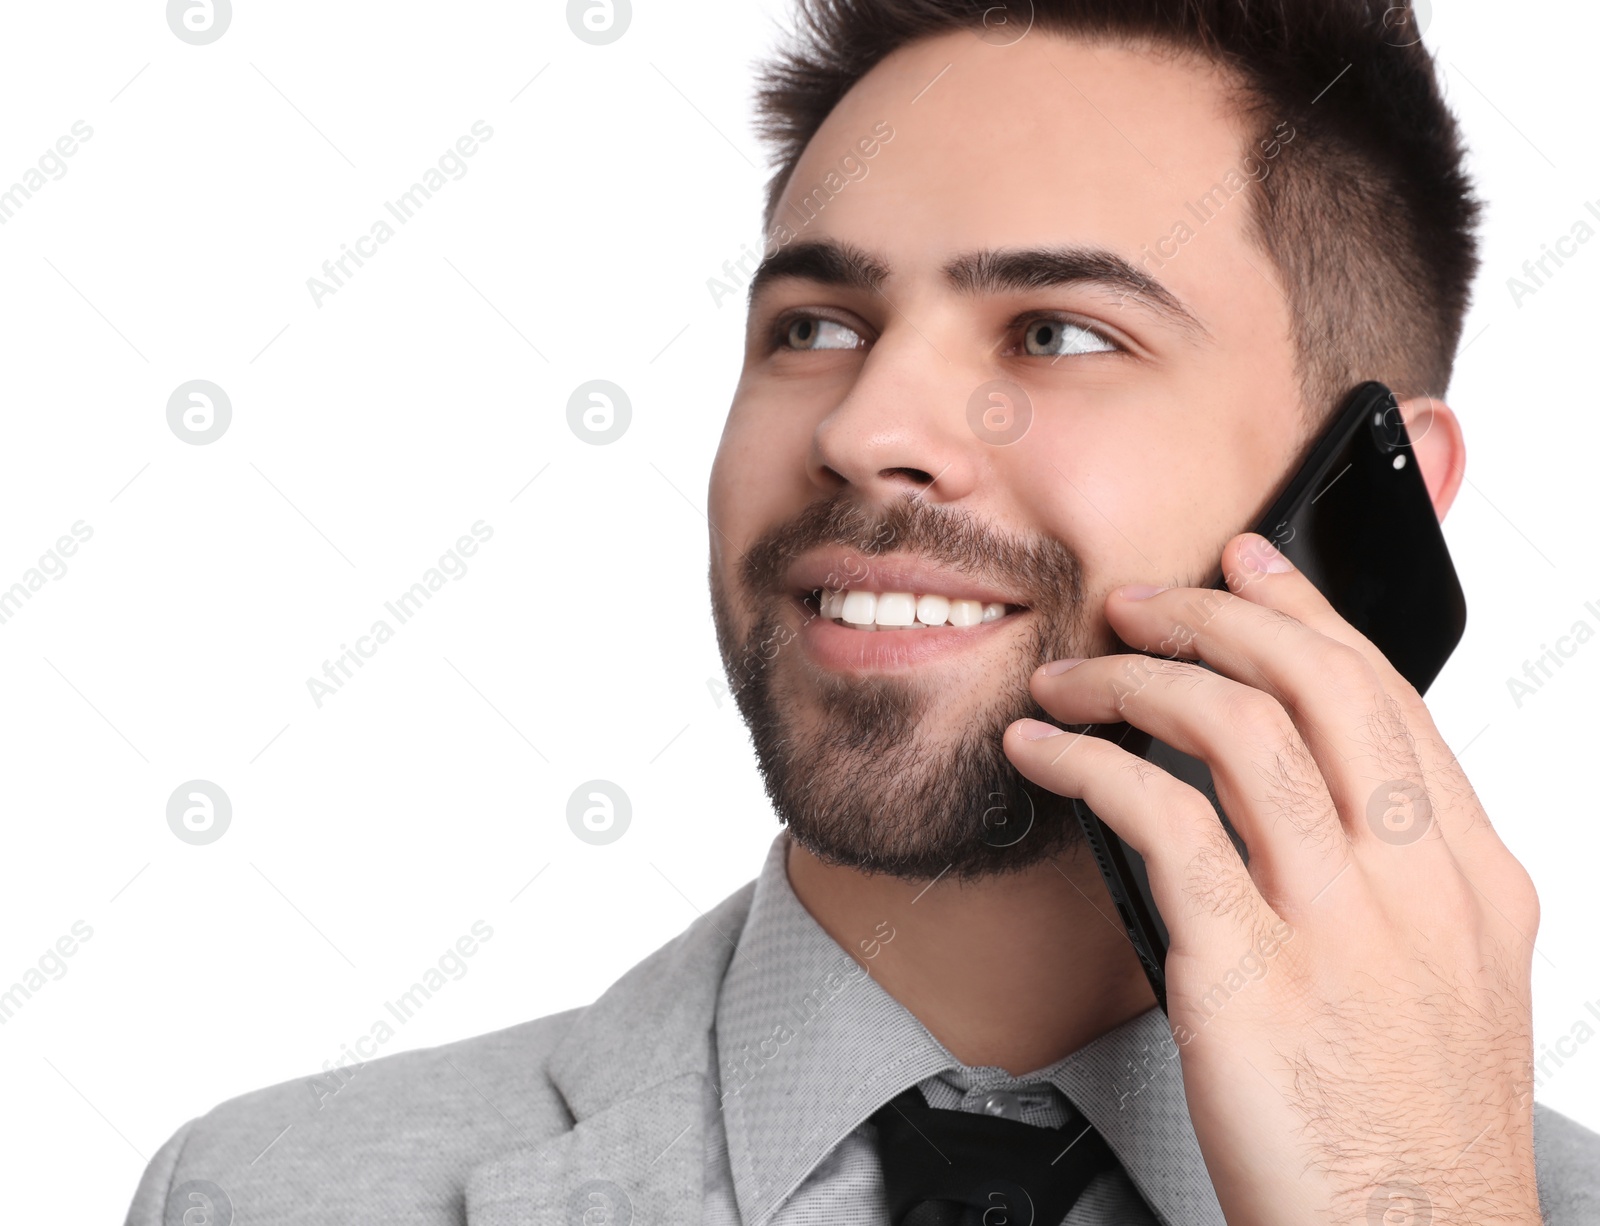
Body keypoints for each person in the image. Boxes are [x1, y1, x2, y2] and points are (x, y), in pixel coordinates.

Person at [124, 2, 1600, 1222]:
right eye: (817, 326)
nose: (866, 423)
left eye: (1060, 331)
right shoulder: (262, 1192)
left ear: (1375, 497)